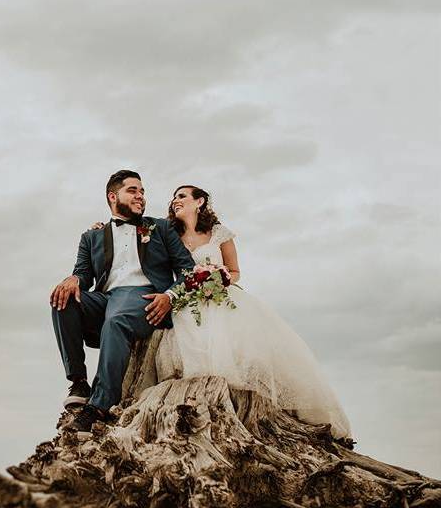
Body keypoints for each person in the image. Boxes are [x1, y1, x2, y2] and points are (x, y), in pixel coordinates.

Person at [91, 185, 353, 441]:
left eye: (182, 196)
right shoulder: (166, 232)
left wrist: (219, 277)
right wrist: (102, 232)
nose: (175, 201)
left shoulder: (218, 233)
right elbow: (133, 238)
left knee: (237, 344)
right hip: (185, 300)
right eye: (173, 198)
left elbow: (235, 270)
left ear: (200, 201)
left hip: (220, 296)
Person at [49, 170, 196, 433]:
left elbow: (188, 270)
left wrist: (170, 296)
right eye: (133, 190)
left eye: (142, 191)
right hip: (105, 297)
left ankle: (99, 407)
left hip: (143, 295)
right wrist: (72, 279)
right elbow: (84, 274)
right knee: (63, 299)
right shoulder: (92, 236)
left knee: (116, 319)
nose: (140, 196)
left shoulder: (160, 228)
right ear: (113, 196)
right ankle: (79, 381)